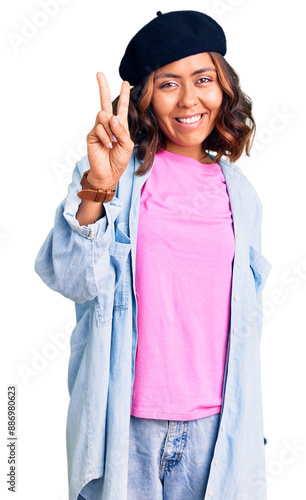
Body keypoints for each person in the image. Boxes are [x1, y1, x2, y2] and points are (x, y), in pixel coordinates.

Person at [34, 10, 272, 500]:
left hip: (215, 426)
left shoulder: (240, 193)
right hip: (126, 424)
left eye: (203, 79)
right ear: (144, 99)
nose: (189, 100)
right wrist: (97, 187)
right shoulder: (113, 176)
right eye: (168, 84)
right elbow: (75, 282)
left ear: (223, 87)